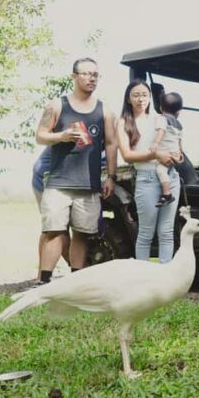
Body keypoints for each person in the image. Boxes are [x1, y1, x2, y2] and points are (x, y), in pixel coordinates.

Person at [35, 58, 117, 284]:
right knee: (54, 231)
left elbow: (111, 143)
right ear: (74, 76)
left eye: (95, 75)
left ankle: (76, 281)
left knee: (82, 234)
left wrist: (111, 176)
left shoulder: (105, 110)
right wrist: (61, 136)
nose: (91, 78)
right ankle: (44, 280)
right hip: (59, 182)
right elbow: (40, 135)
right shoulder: (57, 106)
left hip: (89, 184)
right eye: (86, 74)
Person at [116, 80, 180, 263]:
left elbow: (173, 142)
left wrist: (177, 155)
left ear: (150, 97)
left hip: (171, 177)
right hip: (146, 179)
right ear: (128, 99)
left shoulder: (159, 119)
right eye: (136, 95)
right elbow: (128, 156)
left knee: (166, 231)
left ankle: (165, 277)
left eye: (144, 95)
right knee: (146, 232)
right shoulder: (123, 123)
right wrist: (157, 155)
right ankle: (142, 279)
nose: (140, 99)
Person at [31, 147, 69, 283]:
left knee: (55, 230)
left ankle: (42, 276)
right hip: (46, 178)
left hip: (65, 178)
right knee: (55, 229)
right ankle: (42, 277)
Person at [151, 92, 184, 207]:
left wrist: (156, 143)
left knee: (160, 170)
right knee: (166, 170)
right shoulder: (179, 124)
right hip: (174, 153)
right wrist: (180, 154)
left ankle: (167, 193)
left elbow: (161, 131)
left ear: (160, 108)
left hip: (166, 153)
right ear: (179, 111)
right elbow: (179, 140)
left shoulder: (161, 118)